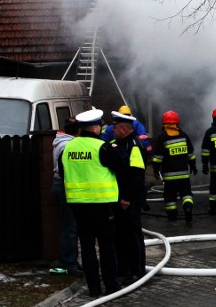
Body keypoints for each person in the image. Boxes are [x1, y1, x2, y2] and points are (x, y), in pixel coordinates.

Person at [60, 107, 123, 296]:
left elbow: (63, 173)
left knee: (86, 246)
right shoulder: (102, 147)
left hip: (78, 204)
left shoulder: (68, 147)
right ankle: (111, 285)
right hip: (101, 203)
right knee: (106, 246)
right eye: (100, 127)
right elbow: (119, 167)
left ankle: (94, 288)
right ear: (95, 128)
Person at [110, 109, 148, 285]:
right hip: (121, 198)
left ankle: (137, 270)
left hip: (129, 199)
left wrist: (127, 197)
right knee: (122, 234)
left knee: (132, 235)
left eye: (115, 127)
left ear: (124, 129)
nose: (112, 130)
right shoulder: (120, 143)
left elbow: (136, 175)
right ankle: (123, 268)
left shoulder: (133, 145)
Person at [151, 110, 197, 224]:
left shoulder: (162, 137)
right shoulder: (184, 136)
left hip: (169, 176)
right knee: (186, 194)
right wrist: (193, 166)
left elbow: (157, 158)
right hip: (183, 174)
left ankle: (172, 215)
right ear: (177, 123)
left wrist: (156, 170)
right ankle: (188, 208)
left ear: (164, 124)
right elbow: (190, 154)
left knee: (170, 197)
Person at [50, 117, 82, 275]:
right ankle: (68, 263)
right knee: (70, 227)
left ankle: (71, 260)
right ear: (79, 131)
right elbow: (67, 170)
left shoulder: (60, 141)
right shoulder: (69, 145)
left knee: (70, 226)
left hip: (60, 185)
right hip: (64, 185)